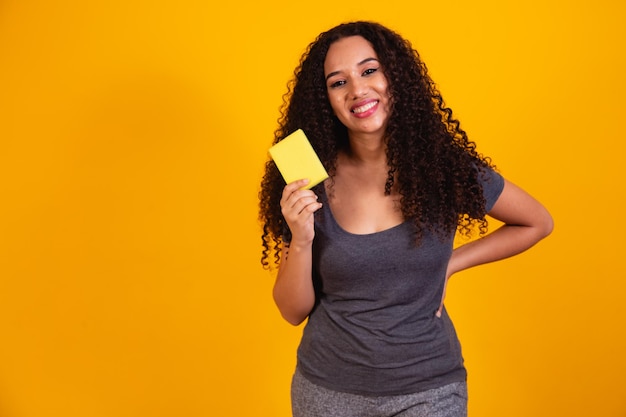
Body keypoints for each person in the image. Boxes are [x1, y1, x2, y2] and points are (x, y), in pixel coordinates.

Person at [258, 21, 553, 417]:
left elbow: (537, 222)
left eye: (368, 70)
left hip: (428, 389)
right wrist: (301, 238)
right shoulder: (307, 178)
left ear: (394, 75)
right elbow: (293, 311)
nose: (357, 90)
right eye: (337, 82)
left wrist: (451, 263)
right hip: (327, 392)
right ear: (324, 98)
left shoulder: (443, 169)